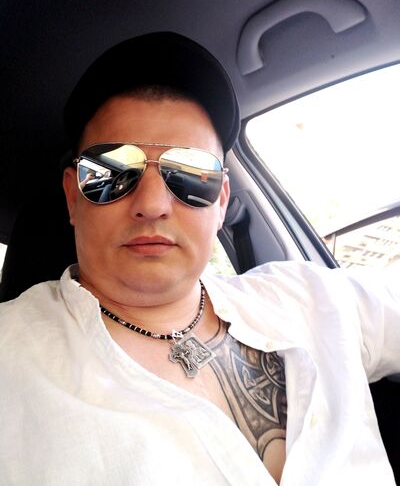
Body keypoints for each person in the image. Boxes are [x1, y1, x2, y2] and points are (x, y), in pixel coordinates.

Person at [0, 32, 399, 486]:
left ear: (222, 201)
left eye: (190, 173)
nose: (152, 204)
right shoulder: (11, 362)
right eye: (111, 171)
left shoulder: (312, 296)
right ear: (73, 198)